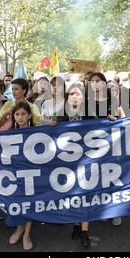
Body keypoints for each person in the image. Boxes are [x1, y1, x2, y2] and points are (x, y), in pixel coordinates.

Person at [52, 83, 91, 248]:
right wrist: (52, 126)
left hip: (87, 160)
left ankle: (84, 231)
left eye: (79, 94)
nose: (75, 96)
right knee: (73, 193)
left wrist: (111, 120)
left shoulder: (91, 114)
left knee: (85, 193)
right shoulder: (61, 115)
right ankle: (76, 225)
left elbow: (104, 129)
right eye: (72, 93)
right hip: (67, 161)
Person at [86, 72, 125, 226]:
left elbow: (123, 120)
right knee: (98, 179)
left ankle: (115, 210)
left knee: (113, 177)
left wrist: (113, 120)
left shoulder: (112, 100)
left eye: (99, 81)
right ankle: (102, 209)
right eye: (92, 81)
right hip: (93, 148)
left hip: (112, 146)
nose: (96, 84)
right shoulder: (85, 102)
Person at [7, 101, 37, 251]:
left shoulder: (37, 131)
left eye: (23, 114)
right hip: (13, 174)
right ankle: (19, 228)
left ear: (29, 115)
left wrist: (53, 126)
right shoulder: (9, 131)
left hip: (31, 174)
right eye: (17, 114)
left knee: (29, 202)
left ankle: (27, 234)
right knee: (15, 201)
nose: (20, 117)